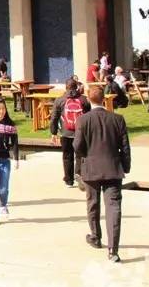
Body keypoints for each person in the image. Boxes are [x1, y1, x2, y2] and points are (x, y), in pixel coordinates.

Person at [74, 85, 131, 263]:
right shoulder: (117, 119)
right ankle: (113, 250)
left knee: (93, 204)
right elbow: (125, 147)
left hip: (91, 169)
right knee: (113, 207)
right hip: (113, 168)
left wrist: (85, 159)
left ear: (88, 99)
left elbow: (77, 146)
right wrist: (126, 166)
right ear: (104, 99)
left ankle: (95, 236)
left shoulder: (83, 120)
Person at [49, 79, 91, 188]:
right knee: (80, 155)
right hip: (80, 132)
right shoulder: (84, 100)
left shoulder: (60, 100)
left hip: (65, 132)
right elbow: (89, 117)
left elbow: (54, 118)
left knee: (67, 156)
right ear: (77, 87)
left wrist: (53, 133)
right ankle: (79, 174)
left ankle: (68, 180)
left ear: (66, 87)